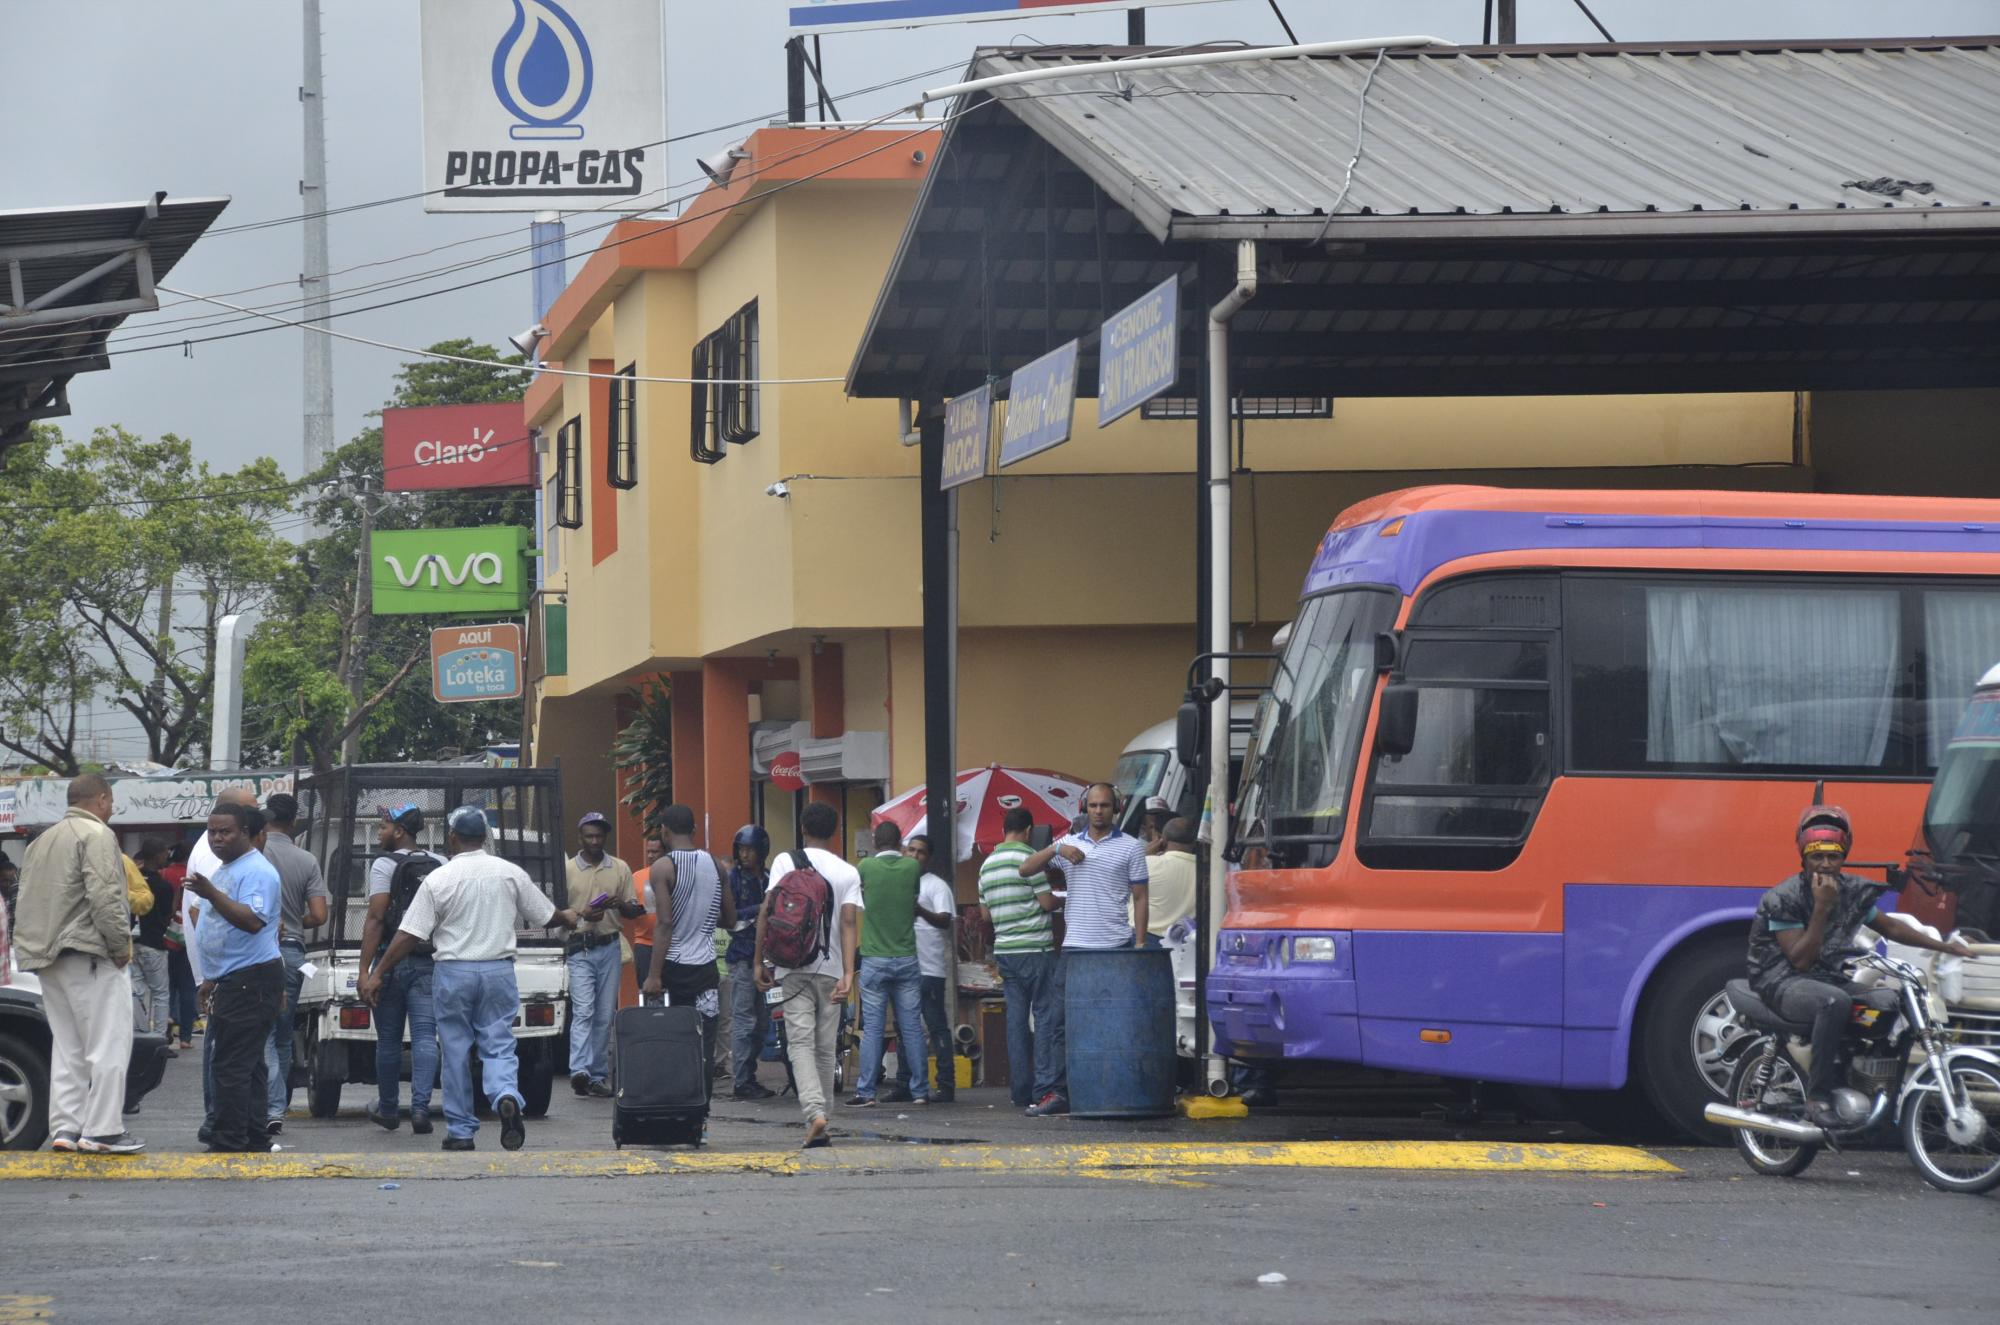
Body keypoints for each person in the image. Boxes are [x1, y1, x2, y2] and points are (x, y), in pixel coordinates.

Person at [361, 806, 581, 1151]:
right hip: (498, 970)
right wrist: (566, 917)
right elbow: (545, 915)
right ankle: (505, 1093)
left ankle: (462, 1131)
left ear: (451, 837)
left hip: (453, 973)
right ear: (483, 837)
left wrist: (378, 971)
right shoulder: (510, 872)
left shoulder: (440, 878)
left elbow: (409, 934)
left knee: (455, 1051)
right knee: (499, 1044)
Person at [1748, 805, 1973, 1126]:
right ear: (1804, 858)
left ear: (1844, 856)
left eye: (1834, 856)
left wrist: (1942, 945)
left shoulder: (1851, 890)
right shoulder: (1783, 897)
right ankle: (1818, 1096)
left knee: (1889, 1000)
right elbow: (1800, 959)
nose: (1825, 864)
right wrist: (1822, 908)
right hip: (1781, 980)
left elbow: (1891, 928)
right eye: (1816, 856)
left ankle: (1869, 1081)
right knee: (1833, 1002)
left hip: (1827, 976)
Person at [12, 775, 141, 1153]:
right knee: (108, 1044)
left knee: (68, 1049)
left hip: (48, 957)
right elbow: (105, 897)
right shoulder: (97, 835)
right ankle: (102, 1131)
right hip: (89, 953)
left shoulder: (41, 842)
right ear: (101, 799)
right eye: (111, 802)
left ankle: (66, 1130)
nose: (112, 809)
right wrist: (120, 946)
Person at [1015, 782, 1149, 1117]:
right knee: (1059, 1023)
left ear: (1115, 808)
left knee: (1115, 1023)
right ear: (1084, 809)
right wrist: (1057, 851)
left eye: (1105, 805)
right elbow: (1025, 868)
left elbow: (1141, 897)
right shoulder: (1069, 843)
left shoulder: (1132, 848)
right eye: (1093, 806)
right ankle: (1058, 1094)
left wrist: (1141, 944)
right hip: (1075, 947)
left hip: (1115, 946)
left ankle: (1111, 1089)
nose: (1099, 811)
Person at [754, 800, 861, 1149]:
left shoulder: (786, 861)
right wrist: (849, 973)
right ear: (835, 830)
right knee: (826, 1046)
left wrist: (759, 962)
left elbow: (768, 911)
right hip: (831, 970)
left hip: (792, 966)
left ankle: (815, 1112)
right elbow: (848, 923)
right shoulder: (848, 871)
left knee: (799, 1043)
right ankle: (824, 1120)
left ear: (802, 828)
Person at [186, 799, 285, 1154]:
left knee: (229, 1065)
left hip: (251, 981)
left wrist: (210, 892)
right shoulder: (227, 868)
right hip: (234, 979)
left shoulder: (256, 871)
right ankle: (253, 1134)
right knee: (249, 1064)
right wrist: (209, 979)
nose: (217, 839)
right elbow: (217, 927)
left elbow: (252, 920)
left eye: (225, 831)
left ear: (246, 833)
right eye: (211, 832)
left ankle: (230, 1138)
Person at [357, 803, 445, 1135]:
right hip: (427, 961)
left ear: (399, 831)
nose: (379, 832)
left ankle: (390, 1109)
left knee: (389, 1040)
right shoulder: (440, 863)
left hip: (390, 962)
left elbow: (377, 918)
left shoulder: (383, 864)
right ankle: (421, 1110)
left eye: (383, 826)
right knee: (425, 1036)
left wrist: (366, 970)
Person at [641, 805, 735, 1094]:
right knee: (704, 1044)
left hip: (674, 968)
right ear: (694, 831)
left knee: (671, 1040)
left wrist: (654, 975)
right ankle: (700, 1114)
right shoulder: (717, 866)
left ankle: (673, 1106)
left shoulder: (662, 868)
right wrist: (701, 916)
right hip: (706, 968)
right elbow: (730, 919)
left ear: (664, 832)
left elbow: (665, 923)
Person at [977, 807, 1062, 1109]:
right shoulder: (1029, 860)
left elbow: (985, 915)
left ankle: (1020, 1091)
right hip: (1035, 950)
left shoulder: (987, 866)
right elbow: (1046, 902)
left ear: (1004, 831)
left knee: (1015, 1021)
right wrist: (1061, 898)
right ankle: (1044, 1089)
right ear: (1028, 831)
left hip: (1006, 953)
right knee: (1045, 1017)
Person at [259, 794, 328, 1135]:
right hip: (294, 954)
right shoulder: (306, 860)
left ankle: (268, 1107)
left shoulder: (253, 854)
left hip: (260, 950)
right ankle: (279, 1105)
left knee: (263, 1035)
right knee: (284, 1036)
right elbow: (320, 915)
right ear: (294, 822)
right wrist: (294, 921)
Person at [849, 821, 929, 1108]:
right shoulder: (912, 868)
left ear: (875, 841)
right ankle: (920, 1090)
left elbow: (859, 901)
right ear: (900, 842)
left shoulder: (865, 868)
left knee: (872, 1028)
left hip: (874, 957)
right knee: (911, 1027)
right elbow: (913, 900)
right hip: (907, 956)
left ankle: (866, 1092)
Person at [564, 810, 644, 1098]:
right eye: (590, 836)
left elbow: (634, 910)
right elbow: (558, 913)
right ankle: (579, 1071)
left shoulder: (620, 868)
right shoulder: (568, 869)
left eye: (599, 835)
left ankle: (596, 1075)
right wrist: (583, 914)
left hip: (609, 946)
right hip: (579, 947)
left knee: (603, 1014)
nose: (595, 840)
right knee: (584, 1010)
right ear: (580, 838)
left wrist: (619, 904)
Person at [724, 824, 777, 1101]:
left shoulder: (769, 878)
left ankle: (750, 1075)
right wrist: (761, 911)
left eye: (750, 850)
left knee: (762, 1024)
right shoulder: (733, 878)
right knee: (744, 1021)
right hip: (742, 957)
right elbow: (730, 918)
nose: (745, 855)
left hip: (768, 959)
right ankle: (742, 1080)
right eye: (741, 849)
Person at [906, 834, 958, 1104]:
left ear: (929, 857)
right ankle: (906, 1084)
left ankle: (946, 1085)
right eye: (911, 850)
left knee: (937, 1026)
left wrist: (920, 911)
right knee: (907, 1027)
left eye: (921, 852)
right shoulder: (902, 883)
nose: (914, 855)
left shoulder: (936, 886)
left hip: (930, 969)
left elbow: (945, 920)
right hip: (905, 966)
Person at [128, 839, 174, 1039]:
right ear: (157, 856)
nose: (167, 857)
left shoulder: (131, 882)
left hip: (131, 942)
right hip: (154, 943)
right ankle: (159, 1034)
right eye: (165, 853)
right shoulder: (163, 886)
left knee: (137, 990)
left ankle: (139, 1031)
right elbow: (166, 915)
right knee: (160, 993)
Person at [161, 842, 197, 1050]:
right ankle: (186, 1037)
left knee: (168, 986)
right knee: (188, 987)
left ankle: (167, 1024)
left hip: (171, 937)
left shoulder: (165, 873)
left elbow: (171, 906)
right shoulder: (194, 875)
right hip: (190, 935)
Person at [1140, 818, 1198, 947]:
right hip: (1186, 945)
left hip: (1145, 941)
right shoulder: (1208, 870)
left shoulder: (1148, 864)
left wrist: (1143, 856)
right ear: (1194, 842)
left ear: (1163, 840)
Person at [627, 833, 666, 995]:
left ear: (664, 852)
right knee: (646, 991)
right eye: (648, 851)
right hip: (644, 943)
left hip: (670, 943)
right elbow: (628, 905)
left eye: (655, 852)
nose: (650, 855)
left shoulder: (672, 874)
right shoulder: (637, 876)